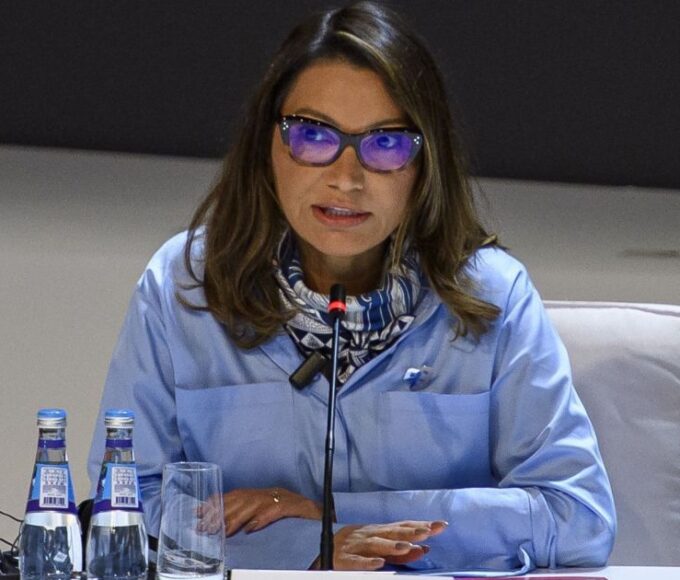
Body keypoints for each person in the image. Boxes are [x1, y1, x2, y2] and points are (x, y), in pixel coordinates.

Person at [88, 0, 616, 572]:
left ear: (426, 164)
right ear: (268, 146)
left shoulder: (493, 294)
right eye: (313, 135)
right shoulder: (184, 286)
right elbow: (123, 508)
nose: (346, 178)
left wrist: (332, 517)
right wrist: (305, 548)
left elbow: (579, 516)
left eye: (386, 144)